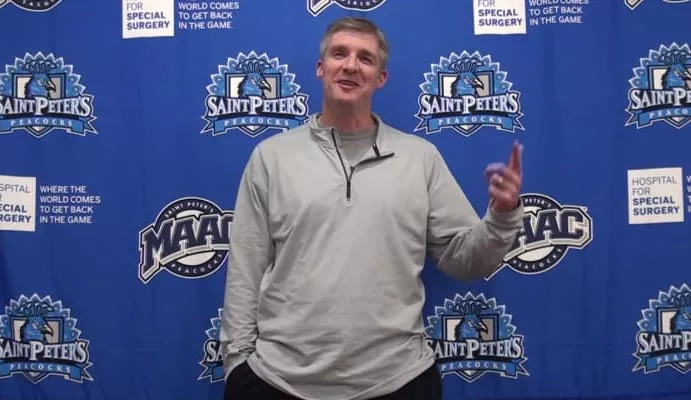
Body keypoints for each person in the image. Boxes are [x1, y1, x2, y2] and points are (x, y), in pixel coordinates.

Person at [219, 16, 524, 400]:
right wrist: (237, 365)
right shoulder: (271, 158)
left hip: (399, 382)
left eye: (365, 58)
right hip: (279, 383)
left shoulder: (420, 159)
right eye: (339, 54)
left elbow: (465, 260)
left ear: (380, 78)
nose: (350, 65)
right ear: (320, 68)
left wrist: (502, 216)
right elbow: (245, 270)